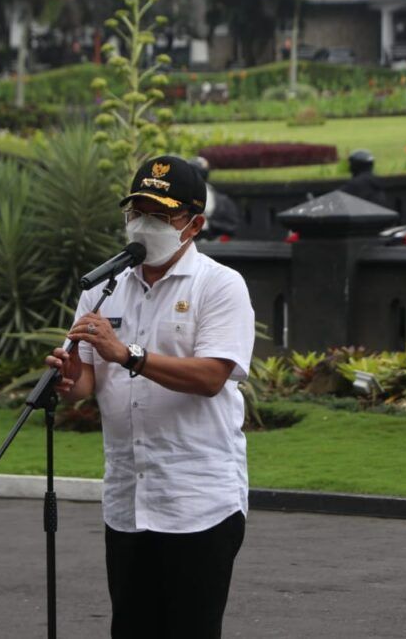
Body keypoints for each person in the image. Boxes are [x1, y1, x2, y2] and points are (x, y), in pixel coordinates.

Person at [46, 155, 255, 639]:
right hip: (128, 499)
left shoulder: (220, 286)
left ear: (194, 223)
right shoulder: (102, 288)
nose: (144, 225)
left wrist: (128, 355)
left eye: (160, 215)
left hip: (198, 502)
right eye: (136, 211)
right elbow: (86, 387)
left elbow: (212, 376)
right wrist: (69, 378)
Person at [189, 156, 239, 240]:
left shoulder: (222, 201)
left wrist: (209, 224)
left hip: (216, 245)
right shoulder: (181, 196)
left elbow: (232, 227)